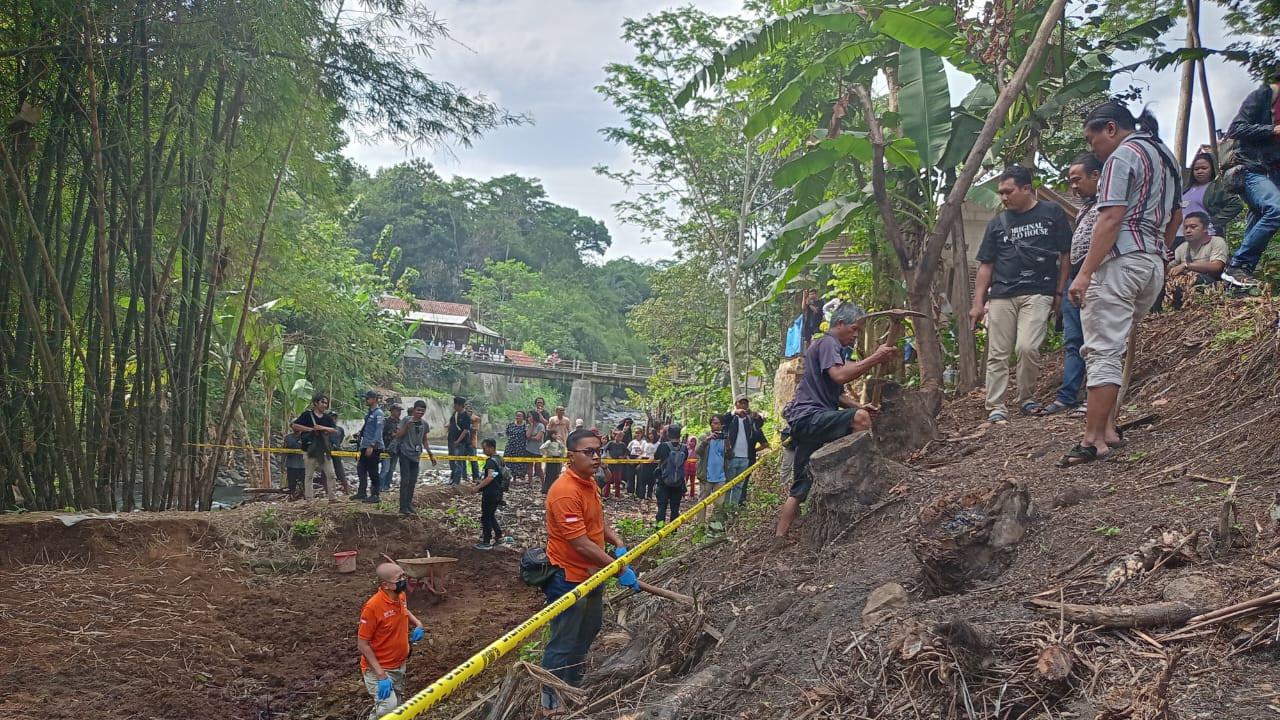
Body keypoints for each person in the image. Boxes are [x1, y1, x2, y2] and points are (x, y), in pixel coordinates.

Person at [1061, 102, 1182, 466]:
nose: (1093, 147)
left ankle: (1093, 439)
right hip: (1150, 265)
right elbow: (1177, 214)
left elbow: (1111, 217)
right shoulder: (1166, 157)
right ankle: (1109, 427)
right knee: (1116, 346)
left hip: (1119, 263)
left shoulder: (1121, 157)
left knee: (1101, 350)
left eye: (1091, 138)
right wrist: (1160, 254)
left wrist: (1084, 273)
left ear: (1110, 128)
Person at [776, 303, 897, 541]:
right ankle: (866, 477)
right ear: (839, 324)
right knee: (860, 420)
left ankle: (779, 537)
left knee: (800, 487)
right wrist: (875, 358)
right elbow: (840, 376)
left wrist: (861, 406)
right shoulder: (828, 343)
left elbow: (838, 394)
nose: (855, 335)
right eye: (853, 329)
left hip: (806, 422)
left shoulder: (829, 349)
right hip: (811, 418)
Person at [541, 428, 639, 715]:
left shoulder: (588, 483)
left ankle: (573, 683)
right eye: (589, 452)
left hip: (593, 574)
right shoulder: (564, 492)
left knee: (589, 630)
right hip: (568, 578)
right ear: (571, 456)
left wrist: (617, 542)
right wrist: (618, 568)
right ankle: (551, 701)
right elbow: (580, 542)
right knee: (563, 640)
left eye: (599, 451)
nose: (597, 457)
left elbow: (597, 523)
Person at [970, 166, 1074, 422]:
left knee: (1028, 347)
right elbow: (986, 264)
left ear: (1026, 188)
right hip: (1003, 294)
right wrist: (977, 302)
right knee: (998, 352)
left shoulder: (1051, 213)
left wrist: (1060, 292)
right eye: (1000, 193)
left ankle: (1026, 397)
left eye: (1008, 191)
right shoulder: (998, 223)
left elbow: (1065, 254)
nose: (1003, 198)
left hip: (1039, 292)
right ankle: (996, 405)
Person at [1041, 154, 1103, 416]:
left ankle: (1096, 396)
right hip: (1074, 279)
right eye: (1070, 181)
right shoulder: (1086, 208)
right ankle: (1067, 396)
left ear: (1096, 176)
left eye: (1077, 180)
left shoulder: (1110, 205)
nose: (1073, 186)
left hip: (1097, 276)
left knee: (1097, 340)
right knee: (1073, 340)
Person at [1221, 69, 1280, 287]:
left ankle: (1236, 282)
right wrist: (1272, 130)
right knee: (1276, 209)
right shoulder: (1264, 95)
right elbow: (1235, 128)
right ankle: (1238, 264)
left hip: (1272, 173)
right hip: (1249, 168)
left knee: (1260, 215)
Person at [358, 562, 425, 719]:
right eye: (399, 578)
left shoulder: (400, 595)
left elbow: (404, 610)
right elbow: (362, 644)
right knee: (388, 708)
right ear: (386, 585)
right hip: (380, 669)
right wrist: (381, 675)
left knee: (396, 708)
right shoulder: (372, 608)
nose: (403, 580)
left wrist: (418, 624)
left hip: (400, 665)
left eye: (403, 575)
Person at [1169, 211, 1231, 308]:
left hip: (1215, 285)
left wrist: (1186, 265)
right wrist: (1163, 260)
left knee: (1193, 277)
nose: (1188, 230)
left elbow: (1217, 266)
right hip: (1186, 290)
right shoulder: (1182, 248)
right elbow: (1169, 270)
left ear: (1205, 228)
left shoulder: (1217, 242)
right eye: (1185, 227)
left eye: (1193, 227)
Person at [290, 393, 340, 502]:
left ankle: (333, 497)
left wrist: (321, 428)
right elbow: (295, 426)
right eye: (322, 402)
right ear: (316, 403)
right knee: (309, 475)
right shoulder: (307, 415)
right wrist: (311, 429)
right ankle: (309, 499)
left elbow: (334, 430)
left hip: (324, 449)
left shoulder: (327, 418)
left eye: (326, 403)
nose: (324, 405)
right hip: (309, 449)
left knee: (331, 473)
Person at [722, 397, 769, 506]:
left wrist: (757, 417)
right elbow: (723, 420)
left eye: (745, 404)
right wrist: (734, 412)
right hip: (731, 456)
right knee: (728, 484)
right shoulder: (731, 419)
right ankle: (726, 507)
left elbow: (759, 425)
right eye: (741, 403)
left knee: (740, 485)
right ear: (736, 404)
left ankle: (734, 508)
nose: (743, 406)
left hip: (746, 458)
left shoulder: (750, 420)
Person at [1183, 152, 1242, 238]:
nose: (1200, 171)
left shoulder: (1218, 188)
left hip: (1208, 236)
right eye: (1196, 169)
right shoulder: (1186, 189)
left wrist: (1213, 221)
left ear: (1212, 169)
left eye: (1204, 168)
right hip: (1182, 236)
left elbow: (1236, 204)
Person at [393, 400, 437, 515]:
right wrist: (407, 427)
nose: (420, 413)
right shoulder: (406, 420)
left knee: (412, 481)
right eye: (418, 410)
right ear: (414, 410)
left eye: (422, 411)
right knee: (405, 480)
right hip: (404, 453)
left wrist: (430, 454)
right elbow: (398, 435)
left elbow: (425, 440)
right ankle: (403, 506)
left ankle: (409, 504)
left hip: (415, 455)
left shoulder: (424, 424)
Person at [653, 425, 689, 526]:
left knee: (662, 507)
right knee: (675, 509)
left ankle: (659, 529)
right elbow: (684, 460)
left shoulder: (663, 446)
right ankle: (673, 531)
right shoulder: (684, 448)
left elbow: (656, 457)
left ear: (668, 434)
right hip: (678, 482)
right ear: (679, 435)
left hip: (663, 481)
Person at [354, 391, 385, 504]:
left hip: (374, 447)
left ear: (374, 399)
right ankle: (361, 492)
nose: (366, 400)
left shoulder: (379, 413)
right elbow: (368, 427)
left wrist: (372, 445)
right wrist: (360, 433)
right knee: (361, 468)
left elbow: (378, 431)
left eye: (368, 398)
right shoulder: (370, 413)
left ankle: (375, 494)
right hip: (365, 445)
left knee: (373, 471)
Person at [475, 439, 505, 549]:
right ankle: (498, 536)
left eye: (485, 448)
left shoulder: (491, 462)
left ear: (492, 448)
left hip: (490, 493)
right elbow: (497, 475)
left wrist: (478, 487)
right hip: (498, 492)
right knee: (491, 515)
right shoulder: (500, 460)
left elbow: (490, 477)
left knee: (486, 516)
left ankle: (486, 541)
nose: (484, 451)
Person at [695, 416, 728, 519]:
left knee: (719, 504)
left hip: (720, 476)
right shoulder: (704, 437)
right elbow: (698, 452)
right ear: (710, 424)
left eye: (719, 423)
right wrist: (706, 440)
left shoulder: (725, 438)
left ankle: (714, 526)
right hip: (706, 475)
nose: (717, 425)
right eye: (714, 423)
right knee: (702, 502)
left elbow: (730, 456)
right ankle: (700, 526)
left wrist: (729, 446)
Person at [447, 396, 474, 486]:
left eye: (455, 405)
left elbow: (465, 430)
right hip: (451, 440)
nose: (454, 406)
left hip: (460, 443)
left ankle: (456, 481)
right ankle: (452, 477)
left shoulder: (466, 416)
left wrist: (458, 441)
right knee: (451, 460)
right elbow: (451, 424)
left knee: (458, 461)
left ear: (460, 405)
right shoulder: (455, 414)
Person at [379, 403, 403, 493]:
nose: (399, 412)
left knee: (391, 470)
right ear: (392, 411)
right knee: (385, 469)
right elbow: (380, 434)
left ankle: (387, 486)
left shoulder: (400, 422)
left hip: (396, 450)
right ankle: (380, 487)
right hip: (386, 449)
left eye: (400, 411)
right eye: (397, 410)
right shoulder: (386, 422)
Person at [504, 410, 531, 481]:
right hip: (510, 446)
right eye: (517, 415)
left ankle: (520, 477)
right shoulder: (511, 424)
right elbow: (507, 433)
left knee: (520, 462)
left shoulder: (526, 426)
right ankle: (510, 478)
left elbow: (527, 436)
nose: (517, 417)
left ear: (523, 417)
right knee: (509, 462)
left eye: (520, 416)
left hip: (521, 447)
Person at [633, 428, 659, 501]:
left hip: (653, 463)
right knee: (642, 480)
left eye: (652, 434)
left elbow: (658, 454)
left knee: (651, 480)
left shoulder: (658, 444)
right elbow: (641, 452)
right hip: (644, 462)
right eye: (649, 434)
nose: (651, 435)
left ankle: (649, 496)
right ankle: (641, 496)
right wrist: (638, 459)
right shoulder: (645, 442)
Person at [603, 430, 629, 499]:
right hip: (611, 465)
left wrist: (623, 457)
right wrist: (608, 456)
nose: (618, 437)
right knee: (608, 480)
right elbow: (605, 450)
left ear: (622, 437)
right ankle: (606, 494)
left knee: (618, 481)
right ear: (614, 436)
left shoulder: (622, 445)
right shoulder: (610, 443)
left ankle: (617, 495)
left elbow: (627, 453)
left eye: (620, 436)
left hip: (618, 465)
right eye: (617, 436)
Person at [528, 402, 548, 484]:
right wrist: (532, 425)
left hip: (538, 450)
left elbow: (538, 438)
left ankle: (543, 482)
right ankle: (530, 482)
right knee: (529, 466)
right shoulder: (529, 425)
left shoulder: (541, 426)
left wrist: (531, 438)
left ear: (534, 417)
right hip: (529, 449)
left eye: (530, 416)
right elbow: (527, 435)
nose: (528, 418)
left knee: (538, 467)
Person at [283, 431, 305, 499]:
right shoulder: (288, 437)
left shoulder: (306, 436)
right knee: (291, 482)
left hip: (303, 464)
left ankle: (304, 495)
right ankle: (292, 495)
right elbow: (284, 451)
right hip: (291, 464)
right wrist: (282, 463)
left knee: (304, 481)